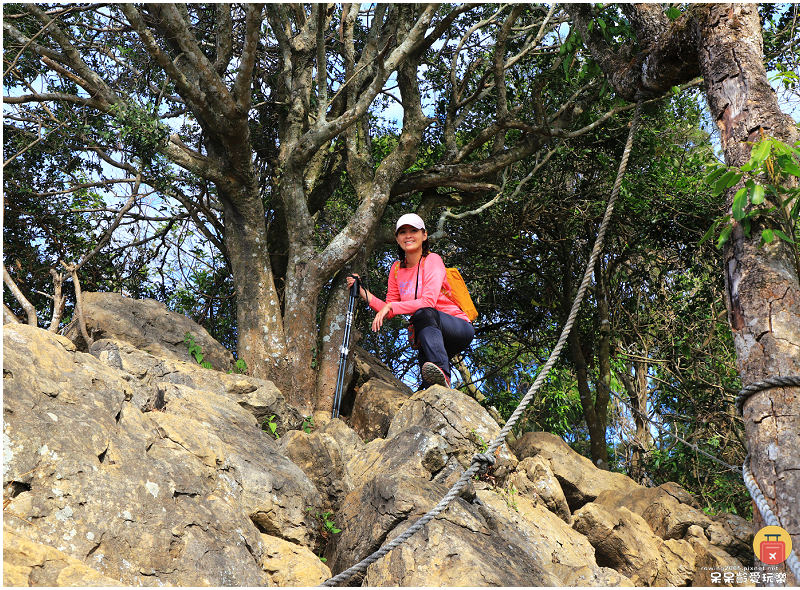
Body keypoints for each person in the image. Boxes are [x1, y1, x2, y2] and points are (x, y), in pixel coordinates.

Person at [346, 213, 475, 389]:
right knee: (429, 382)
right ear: (397, 238)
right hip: (429, 333)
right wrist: (360, 289)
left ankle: (444, 373)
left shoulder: (432, 260)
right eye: (402, 232)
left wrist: (391, 306)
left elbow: (428, 302)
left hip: (457, 327)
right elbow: (389, 310)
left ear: (424, 235)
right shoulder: (397, 269)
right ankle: (437, 385)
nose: (408, 235)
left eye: (413, 230)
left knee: (423, 314)